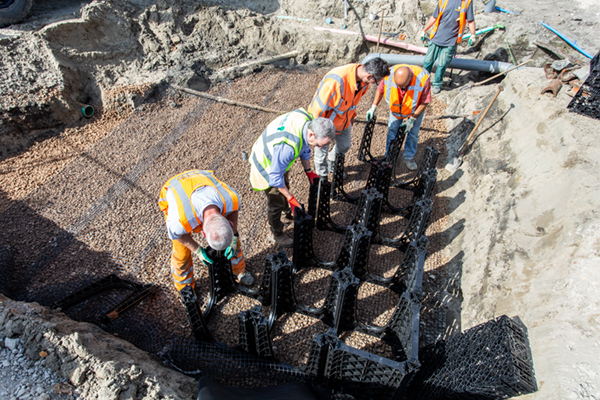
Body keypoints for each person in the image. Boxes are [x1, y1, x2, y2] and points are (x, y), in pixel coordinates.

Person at [249, 108, 336, 247]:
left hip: (277, 159)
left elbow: (305, 147)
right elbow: (275, 178)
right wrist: (290, 198)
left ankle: (286, 214)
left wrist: (308, 170)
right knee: (276, 199)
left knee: (285, 187)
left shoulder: (306, 121)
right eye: (319, 144)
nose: (319, 148)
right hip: (266, 165)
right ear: (312, 134)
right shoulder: (288, 147)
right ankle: (275, 233)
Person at [158, 170, 254, 290]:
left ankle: (239, 270)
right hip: (175, 187)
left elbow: (233, 212)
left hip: (200, 177)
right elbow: (178, 236)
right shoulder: (180, 220)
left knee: (229, 237)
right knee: (182, 253)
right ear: (202, 233)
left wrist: (234, 238)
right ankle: (185, 287)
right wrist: (197, 250)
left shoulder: (231, 199)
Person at [307, 57, 390, 177]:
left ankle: (332, 161)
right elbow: (317, 110)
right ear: (369, 76)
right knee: (321, 153)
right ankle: (322, 177)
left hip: (344, 122)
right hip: (324, 125)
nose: (375, 85)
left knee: (344, 145)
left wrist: (352, 117)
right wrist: (317, 133)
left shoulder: (362, 81)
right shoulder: (336, 83)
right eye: (376, 82)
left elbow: (352, 102)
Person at [366, 64, 431, 170]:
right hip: (396, 111)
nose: (401, 89)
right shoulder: (389, 74)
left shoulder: (423, 78)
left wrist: (413, 119)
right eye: (398, 86)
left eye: (403, 87)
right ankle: (389, 156)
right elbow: (380, 90)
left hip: (413, 111)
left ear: (410, 78)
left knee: (413, 134)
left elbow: (425, 101)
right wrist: (373, 107)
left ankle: (408, 157)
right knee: (392, 132)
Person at [419, 0, 476, 94]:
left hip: (451, 41)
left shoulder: (467, 2)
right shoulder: (444, 1)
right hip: (436, 37)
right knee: (428, 62)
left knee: (442, 64)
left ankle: (437, 84)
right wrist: (424, 30)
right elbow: (434, 17)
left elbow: (470, 20)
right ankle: (422, 82)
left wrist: (473, 34)